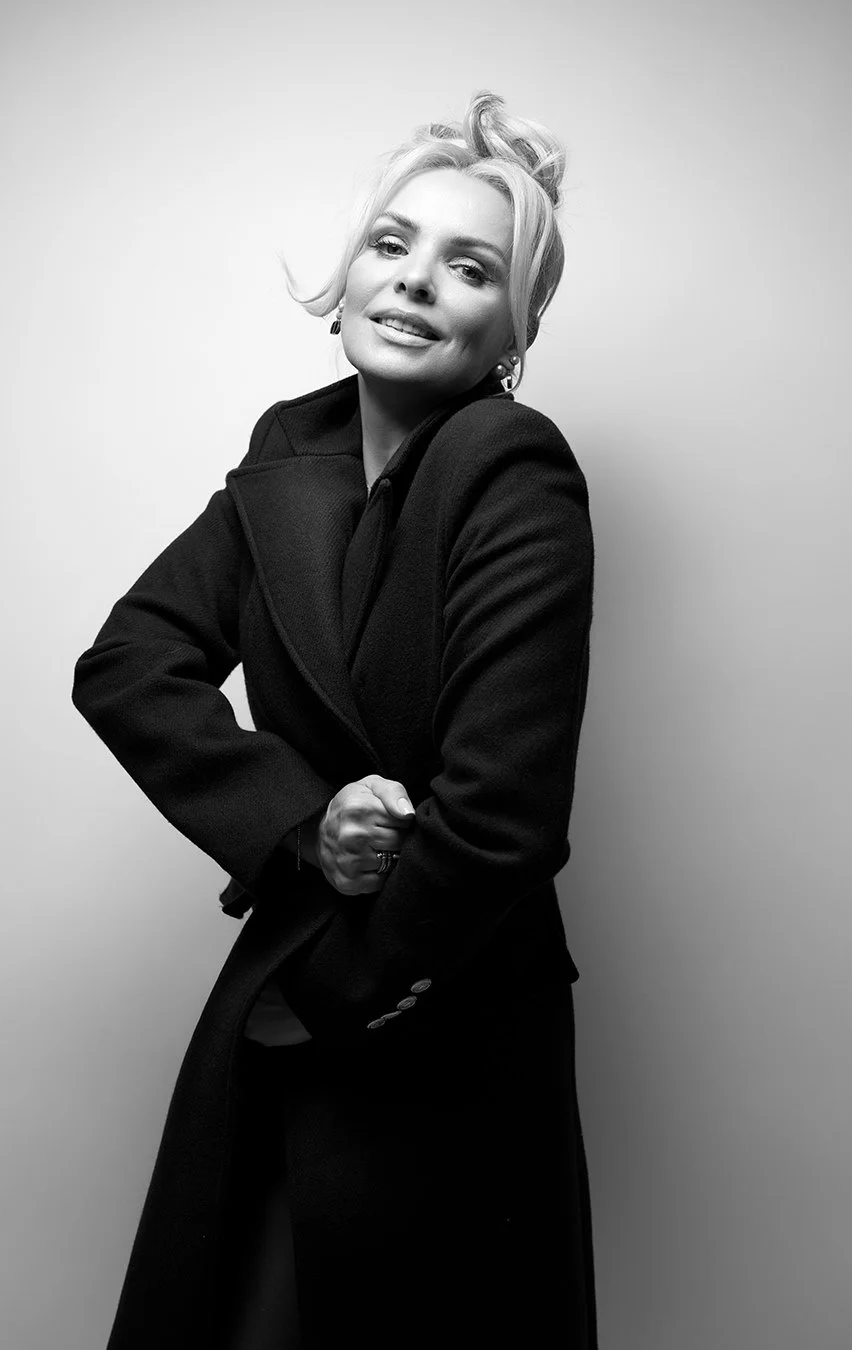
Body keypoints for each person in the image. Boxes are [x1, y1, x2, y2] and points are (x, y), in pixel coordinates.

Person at [72, 89, 597, 1350]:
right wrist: (307, 825)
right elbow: (131, 663)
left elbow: (505, 817)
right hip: (297, 988)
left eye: (470, 267)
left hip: (438, 1003)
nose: (413, 280)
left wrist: (331, 995)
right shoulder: (289, 454)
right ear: (349, 275)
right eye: (392, 244)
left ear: (515, 327)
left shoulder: (513, 467)